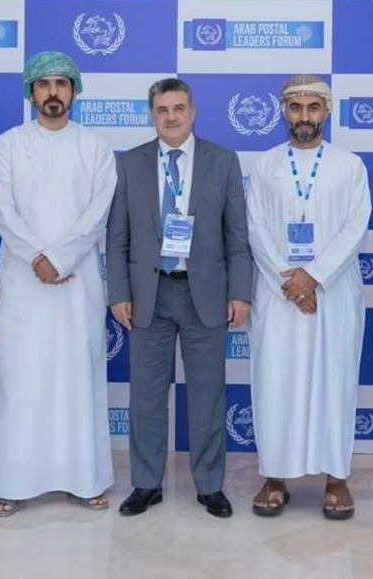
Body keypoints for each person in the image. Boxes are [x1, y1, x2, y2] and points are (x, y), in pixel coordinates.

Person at [0, 51, 117, 516]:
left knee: (76, 379)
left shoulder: (94, 145)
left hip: (77, 283)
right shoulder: (10, 144)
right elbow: (4, 210)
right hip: (23, 280)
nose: (53, 92)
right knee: (20, 380)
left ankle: (84, 478)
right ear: (31, 93)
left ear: (74, 91)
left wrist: (60, 257)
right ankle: (9, 481)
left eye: (61, 84)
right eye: (44, 84)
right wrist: (38, 257)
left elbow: (99, 212)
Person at [106, 77, 252, 518]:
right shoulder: (129, 163)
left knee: (208, 396)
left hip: (203, 294)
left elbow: (237, 236)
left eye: (178, 108)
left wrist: (240, 293)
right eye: (162, 110)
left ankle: (210, 486)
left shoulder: (223, 161)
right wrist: (118, 292)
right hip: (147, 295)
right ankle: (146, 484)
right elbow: (117, 236)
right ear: (151, 115)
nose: (170, 117)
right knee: (146, 396)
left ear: (193, 112)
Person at [245, 76, 371, 519]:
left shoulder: (349, 165)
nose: (304, 116)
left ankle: (336, 478)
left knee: (334, 382)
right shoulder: (264, 165)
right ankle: (275, 476)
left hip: (333, 295)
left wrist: (314, 277)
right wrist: (291, 282)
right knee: (275, 381)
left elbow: (356, 226)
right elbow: (255, 227)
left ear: (327, 112)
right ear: (284, 111)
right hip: (278, 293)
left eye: (313, 107)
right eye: (295, 107)